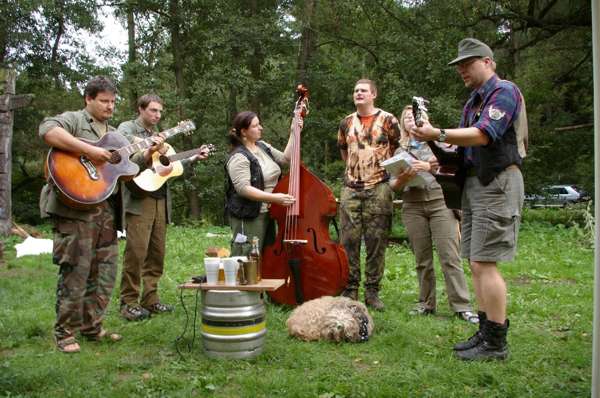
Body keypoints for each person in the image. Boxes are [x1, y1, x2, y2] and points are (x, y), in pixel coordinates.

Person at [406, 38, 525, 361]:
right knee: (475, 261)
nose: (461, 69)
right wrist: (429, 141)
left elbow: (484, 134)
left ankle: (496, 343)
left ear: (488, 62)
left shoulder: (504, 92)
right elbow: (459, 153)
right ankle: (486, 332)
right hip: (475, 184)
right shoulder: (473, 101)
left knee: (485, 262)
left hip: (497, 182)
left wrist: (437, 133)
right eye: (458, 65)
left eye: (467, 63)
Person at [39, 76, 164, 353]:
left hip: (106, 210)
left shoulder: (114, 134)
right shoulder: (74, 120)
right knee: (76, 270)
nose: (110, 106)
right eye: (104, 101)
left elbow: (125, 171)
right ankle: (65, 333)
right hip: (74, 210)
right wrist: (92, 151)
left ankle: (92, 327)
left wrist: (147, 153)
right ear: (89, 99)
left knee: (105, 272)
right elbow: (47, 131)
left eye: (113, 102)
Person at [118, 94, 209, 321]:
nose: (157, 115)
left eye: (160, 112)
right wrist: (148, 151)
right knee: (136, 253)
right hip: (138, 199)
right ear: (140, 109)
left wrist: (193, 157)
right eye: (153, 110)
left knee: (157, 253)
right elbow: (126, 160)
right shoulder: (126, 129)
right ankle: (128, 302)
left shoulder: (161, 139)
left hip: (160, 199)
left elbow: (167, 166)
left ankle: (150, 299)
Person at [390, 105, 478, 323]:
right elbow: (394, 186)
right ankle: (426, 303)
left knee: (450, 256)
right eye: (407, 118)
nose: (411, 120)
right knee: (422, 258)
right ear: (403, 124)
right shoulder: (399, 152)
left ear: (425, 119)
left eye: (415, 116)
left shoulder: (441, 144)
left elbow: (457, 170)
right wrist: (404, 177)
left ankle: (461, 306)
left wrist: (428, 168)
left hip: (441, 202)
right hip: (413, 205)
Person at [337, 79, 401, 311]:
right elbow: (344, 150)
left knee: (377, 242)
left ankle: (372, 292)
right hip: (350, 189)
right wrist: (356, 171)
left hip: (379, 187)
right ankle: (350, 288)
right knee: (348, 241)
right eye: (355, 91)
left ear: (374, 94)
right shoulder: (346, 123)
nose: (358, 94)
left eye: (363, 90)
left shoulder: (389, 120)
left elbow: (397, 149)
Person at [225, 111, 297, 256]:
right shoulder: (239, 157)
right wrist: (275, 198)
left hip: (269, 212)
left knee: (266, 256)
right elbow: (244, 189)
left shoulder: (262, 146)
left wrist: (294, 132)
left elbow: (286, 159)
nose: (261, 128)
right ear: (244, 132)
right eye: (256, 125)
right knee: (247, 256)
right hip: (249, 214)